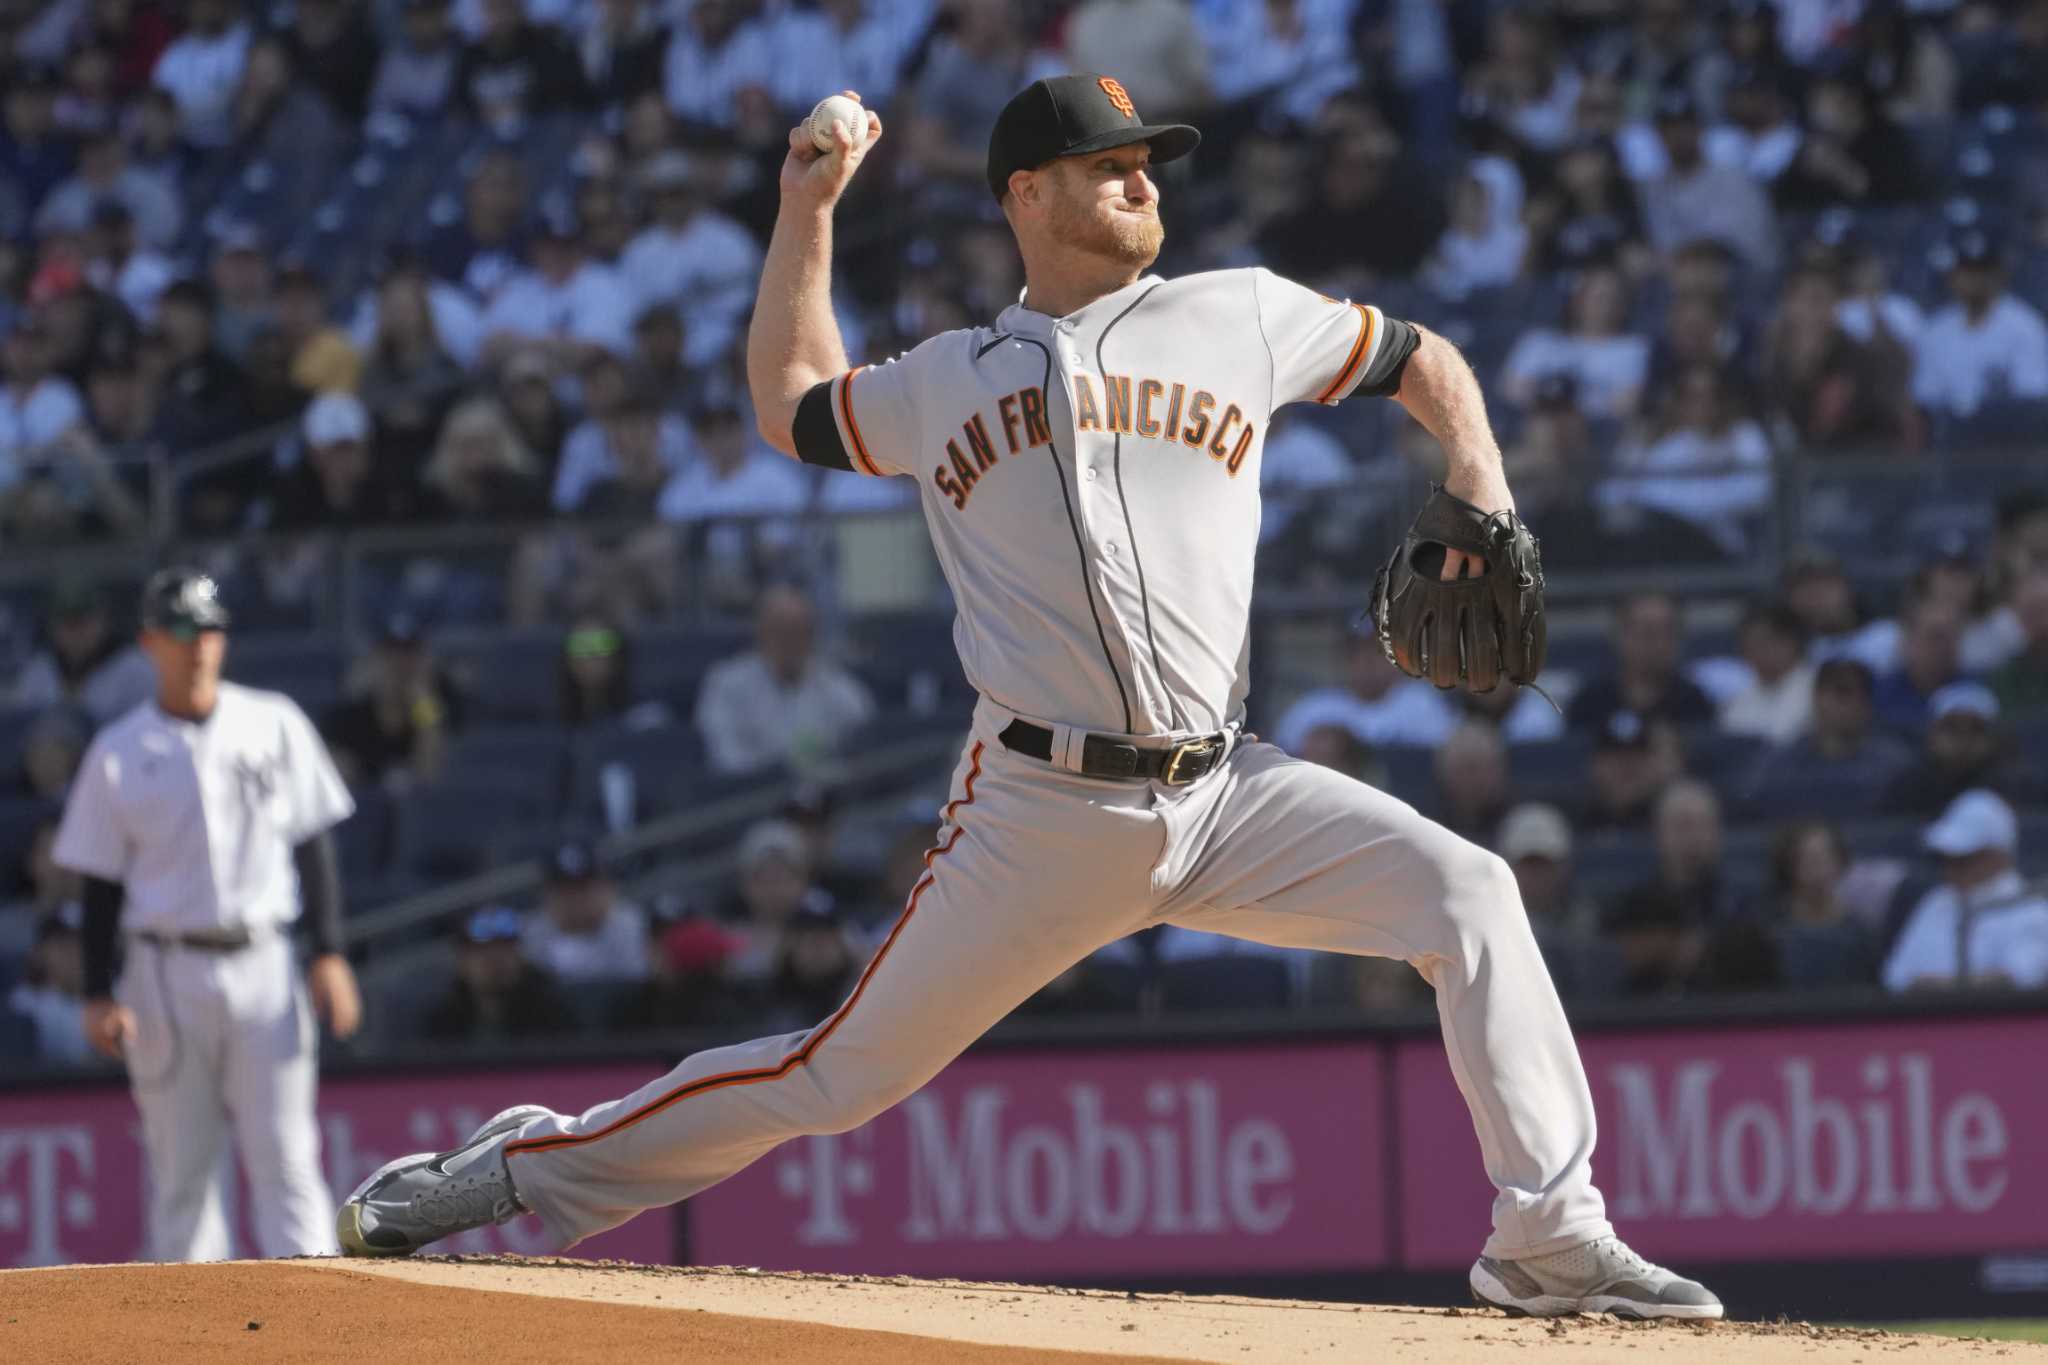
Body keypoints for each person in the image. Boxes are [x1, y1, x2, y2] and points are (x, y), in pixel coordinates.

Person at [338, 73, 1722, 1321]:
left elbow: (1422, 356)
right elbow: (793, 401)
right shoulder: (949, 379)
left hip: (1230, 785)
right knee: (837, 1076)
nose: (1142, 180)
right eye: (1110, 160)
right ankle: (530, 1165)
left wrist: (1478, 475)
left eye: (1149, 160)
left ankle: (1548, 1235)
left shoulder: (1238, 310)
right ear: (1027, 193)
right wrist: (804, 207)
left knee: (1471, 892)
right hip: (1036, 808)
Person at [51, 568, 359, 1261]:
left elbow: (313, 842)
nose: (200, 644)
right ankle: (192, 1335)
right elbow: (99, 884)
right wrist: (98, 991)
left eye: (211, 628)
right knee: (183, 1169)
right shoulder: (119, 749)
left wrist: (331, 951)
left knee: (285, 1156)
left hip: (265, 959)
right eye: (183, 629)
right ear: (149, 641)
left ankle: (314, 1320)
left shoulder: (273, 720)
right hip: (164, 971)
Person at [694, 584, 875, 776]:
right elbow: (727, 760)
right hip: (759, 796)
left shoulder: (833, 683)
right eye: (782, 630)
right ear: (762, 632)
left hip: (825, 795)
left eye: (802, 631)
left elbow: (867, 738)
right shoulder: (726, 684)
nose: (792, 641)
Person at [1882, 790, 2048, 993]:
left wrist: (1943, 987)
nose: (1950, 869)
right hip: (1922, 1022)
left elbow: (2023, 978)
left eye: (1963, 859)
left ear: (1997, 857)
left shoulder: (2032, 910)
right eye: (1946, 859)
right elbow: (1896, 977)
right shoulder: (1935, 902)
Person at [1273, 627, 1458, 754]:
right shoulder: (1313, 710)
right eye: (1357, 652)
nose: (1367, 661)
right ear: (1345, 658)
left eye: (1378, 651)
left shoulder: (1422, 703)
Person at [8, 575, 156, 725]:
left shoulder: (136, 670)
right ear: (52, 626)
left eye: (83, 622)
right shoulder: (39, 672)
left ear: (103, 620)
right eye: (67, 623)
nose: (75, 633)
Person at [1566, 590, 1715, 734]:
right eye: (1648, 633)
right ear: (1619, 635)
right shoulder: (1590, 703)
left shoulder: (1694, 703)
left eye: (1668, 633)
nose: (1659, 644)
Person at [1880, 682, 2039, 817]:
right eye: (1951, 727)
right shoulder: (1906, 788)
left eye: (1976, 729)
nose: (1963, 739)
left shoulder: (2019, 787)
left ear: (1994, 738)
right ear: (1931, 735)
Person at [421, 905, 575, 1042]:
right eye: (482, 951)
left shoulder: (552, 1014)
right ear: (462, 960)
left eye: (505, 948)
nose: (496, 959)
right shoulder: (442, 1022)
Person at [519, 838, 649, 986]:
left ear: (607, 888)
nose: (577, 899)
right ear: (547, 896)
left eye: (584, 887)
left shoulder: (632, 926)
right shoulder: (531, 938)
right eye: (566, 890)